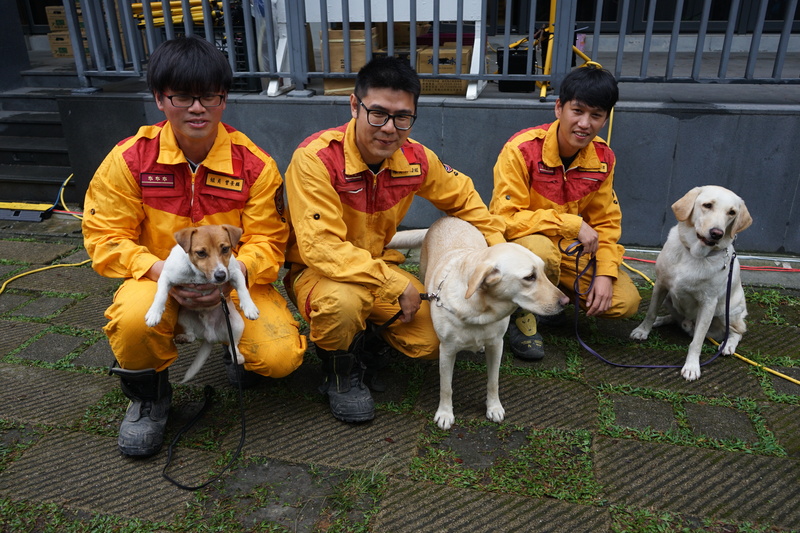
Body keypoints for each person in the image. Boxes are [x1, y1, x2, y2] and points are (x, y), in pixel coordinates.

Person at [82, 36, 307, 457]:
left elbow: (269, 241)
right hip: (158, 279)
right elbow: (105, 237)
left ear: (224, 100)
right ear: (159, 100)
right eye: (183, 96)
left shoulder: (254, 165)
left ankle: (231, 348)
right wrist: (155, 271)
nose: (197, 108)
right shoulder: (129, 160)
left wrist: (226, 279)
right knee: (134, 320)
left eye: (210, 96)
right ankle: (150, 396)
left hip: (228, 279)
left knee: (279, 356)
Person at [283, 56, 505, 423]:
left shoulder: (416, 158)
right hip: (318, 272)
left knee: (433, 341)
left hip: (379, 264)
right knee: (343, 301)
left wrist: (496, 251)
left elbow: (464, 197)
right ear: (355, 105)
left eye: (402, 117)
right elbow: (321, 248)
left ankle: (369, 336)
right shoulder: (316, 159)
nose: (389, 128)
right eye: (378, 114)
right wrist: (392, 284)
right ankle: (340, 375)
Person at [489, 65, 641, 361]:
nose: (585, 124)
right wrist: (570, 224)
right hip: (526, 248)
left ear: (605, 119)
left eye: (596, 115)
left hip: (570, 253)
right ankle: (522, 317)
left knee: (626, 302)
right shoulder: (521, 150)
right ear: (559, 108)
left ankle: (551, 300)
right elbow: (504, 219)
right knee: (540, 250)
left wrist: (606, 273)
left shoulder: (603, 158)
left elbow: (606, 224)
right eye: (578, 111)